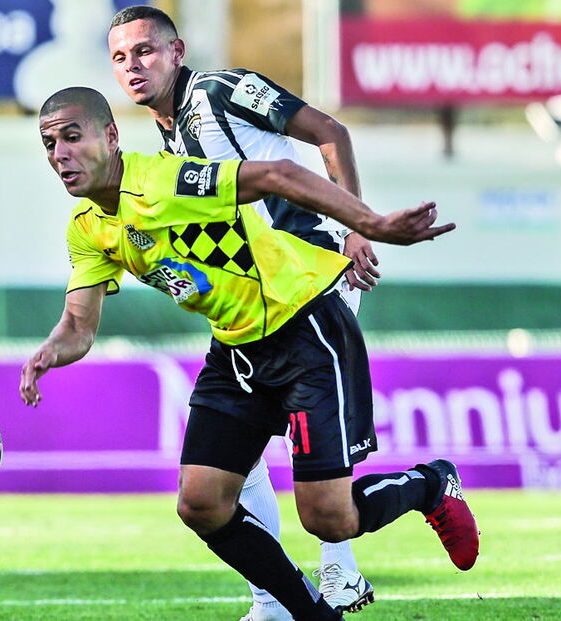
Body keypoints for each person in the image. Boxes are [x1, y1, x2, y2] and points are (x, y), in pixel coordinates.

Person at [20, 86, 479, 620]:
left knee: (330, 520)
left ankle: (430, 484)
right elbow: (79, 324)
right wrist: (50, 351)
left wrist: (368, 224)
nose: (60, 154)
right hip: (236, 348)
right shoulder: (88, 229)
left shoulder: (165, 179)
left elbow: (277, 176)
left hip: (305, 325)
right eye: (50, 143)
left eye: (73, 137)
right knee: (201, 504)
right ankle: (308, 614)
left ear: (111, 136)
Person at [107, 7, 378, 617]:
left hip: (314, 270)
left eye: (146, 51)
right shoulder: (166, 138)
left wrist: (355, 224)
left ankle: (335, 570)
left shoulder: (226, 90)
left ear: (177, 51)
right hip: (258, 296)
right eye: (121, 58)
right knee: (234, 455)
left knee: (296, 442)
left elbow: (331, 132)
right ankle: (279, 595)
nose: (134, 66)